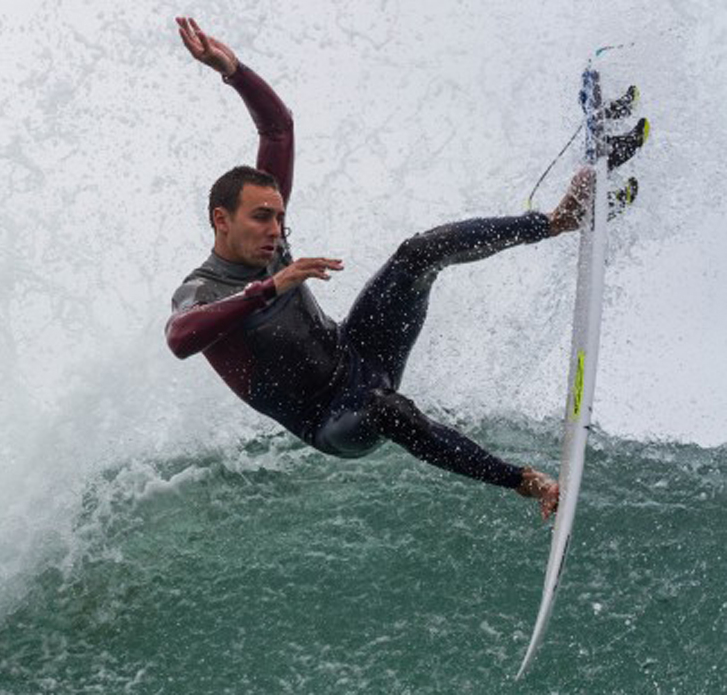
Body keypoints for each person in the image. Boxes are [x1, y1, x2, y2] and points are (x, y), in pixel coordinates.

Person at [164, 17, 600, 520]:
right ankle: (524, 481)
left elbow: (278, 127)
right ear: (222, 220)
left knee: (417, 252)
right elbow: (180, 339)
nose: (276, 228)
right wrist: (268, 289)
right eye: (262, 217)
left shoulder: (270, 241)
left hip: (358, 351)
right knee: (388, 409)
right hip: (332, 419)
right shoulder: (202, 288)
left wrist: (234, 70)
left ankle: (556, 221)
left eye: (280, 216)